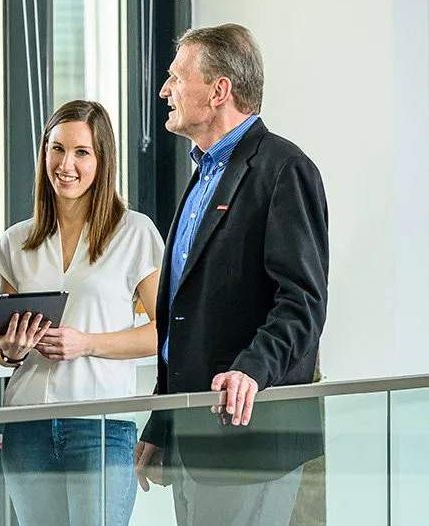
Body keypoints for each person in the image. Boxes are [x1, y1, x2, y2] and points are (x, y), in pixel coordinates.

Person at [132, 23, 329, 526]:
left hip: (250, 439)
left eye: (176, 78)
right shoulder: (203, 174)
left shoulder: (284, 169)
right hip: (195, 437)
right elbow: (184, 317)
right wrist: (163, 421)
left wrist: (252, 370)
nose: (164, 90)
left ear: (219, 91)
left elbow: (302, 301)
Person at [0, 100, 163, 526]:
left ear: (102, 160)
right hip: (27, 423)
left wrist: (86, 343)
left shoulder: (135, 233)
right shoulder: (16, 242)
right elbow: (0, 348)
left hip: (100, 425)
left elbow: (166, 332)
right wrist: (10, 349)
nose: (65, 164)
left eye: (81, 152)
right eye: (57, 149)